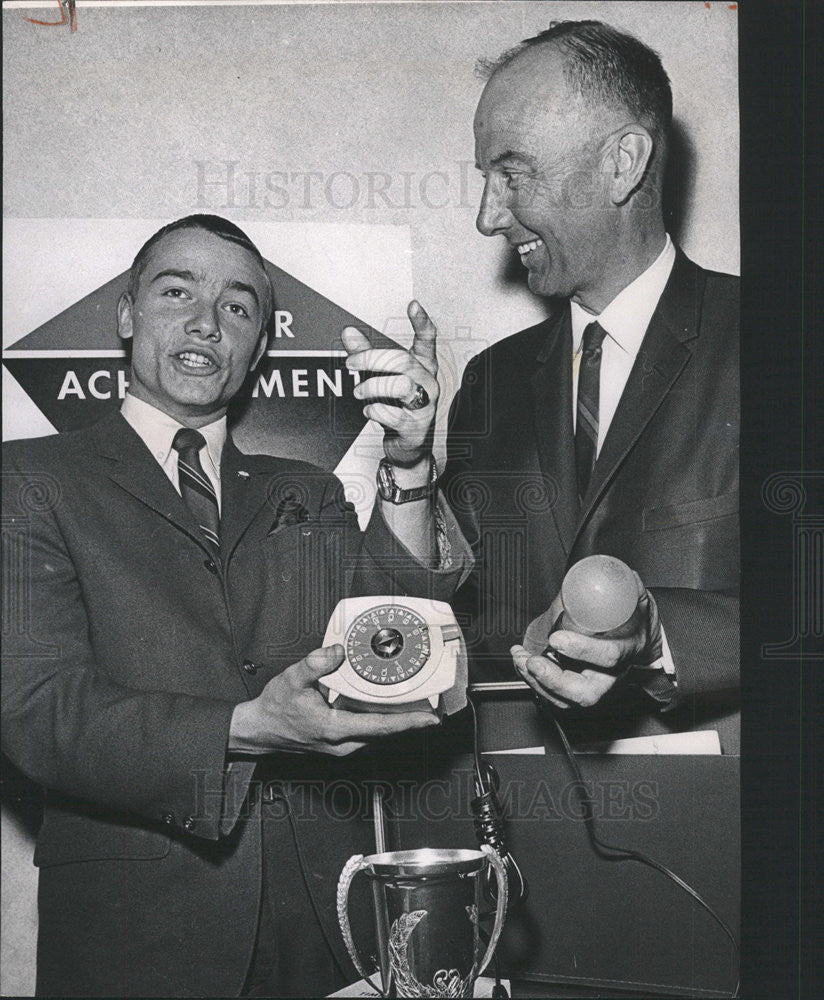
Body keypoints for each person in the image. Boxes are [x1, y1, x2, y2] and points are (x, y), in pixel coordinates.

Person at [1, 214, 470, 997]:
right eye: (176, 290)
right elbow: (35, 707)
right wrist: (243, 728)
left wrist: (411, 461)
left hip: (327, 921)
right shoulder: (28, 479)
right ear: (125, 313)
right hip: (136, 936)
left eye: (238, 307)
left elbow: (395, 644)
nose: (204, 322)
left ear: (257, 350)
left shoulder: (306, 490)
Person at [344, 21, 739, 748]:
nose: (487, 216)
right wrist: (409, 470)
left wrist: (659, 634)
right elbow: (424, 628)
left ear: (624, 163)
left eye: (513, 175)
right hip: (523, 823)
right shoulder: (492, 379)